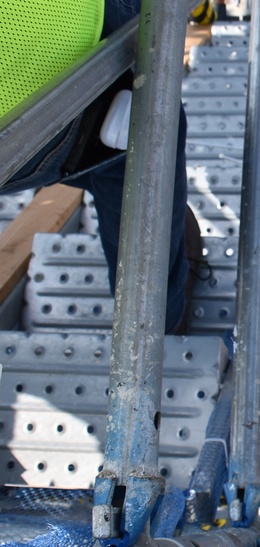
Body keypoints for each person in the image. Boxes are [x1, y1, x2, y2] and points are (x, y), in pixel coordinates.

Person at [0, 0, 206, 334]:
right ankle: (156, 323)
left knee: (105, 148)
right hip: (57, 51)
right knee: (147, 135)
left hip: (15, 152)